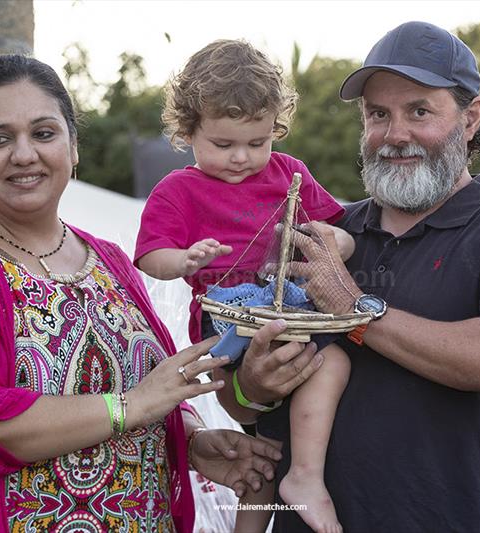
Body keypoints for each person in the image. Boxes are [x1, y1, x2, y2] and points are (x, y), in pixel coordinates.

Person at [0, 54, 296, 533]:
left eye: (43, 133)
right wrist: (129, 407)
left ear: (73, 146)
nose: (24, 154)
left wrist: (193, 440)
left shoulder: (110, 262)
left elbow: (148, 389)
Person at [214, 21, 480, 532]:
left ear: (471, 119)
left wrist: (355, 309)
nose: (395, 134)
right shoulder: (323, 234)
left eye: (419, 111)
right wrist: (253, 383)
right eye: (378, 114)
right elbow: (239, 401)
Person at [134, 39, 353, 533]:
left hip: (286, 305)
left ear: (275, 127)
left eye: (257, 143)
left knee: (265, 442)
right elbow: (151, 257)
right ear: (188, 131)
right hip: (226, 316)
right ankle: (304, 475)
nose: (241, 158)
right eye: (224, 144)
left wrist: (338, 241)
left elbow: (336, 230)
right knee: (317, 367)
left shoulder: (289, 173)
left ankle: (297, 477)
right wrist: (185, 259)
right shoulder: (178, 190)